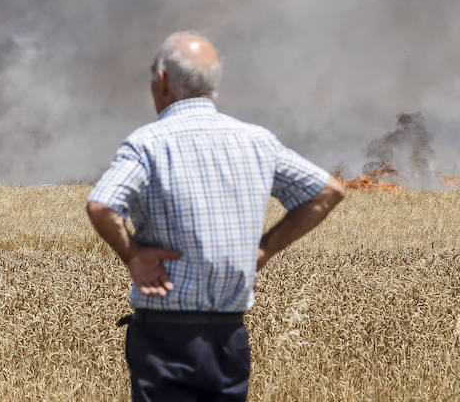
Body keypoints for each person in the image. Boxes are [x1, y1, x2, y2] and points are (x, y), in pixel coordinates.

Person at [86, 31, 346, 402]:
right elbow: (328, 191)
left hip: (164, 338)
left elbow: (101, 205)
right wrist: (264, 251)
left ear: (161, 82)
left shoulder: (147, 143)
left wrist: (134, 256)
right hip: (229, 337)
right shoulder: (256, 140)